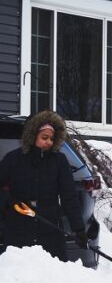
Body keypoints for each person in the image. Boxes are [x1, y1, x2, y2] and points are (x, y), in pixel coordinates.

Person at [0, 111, 86, 262]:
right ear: (32, 136)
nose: (49, 142)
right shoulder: (13, 159)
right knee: (19, 274)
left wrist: (78, 229)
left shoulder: (59, 161)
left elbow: (69, 197)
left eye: (52, 139)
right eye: (44, 137)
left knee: (51, 274)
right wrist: (9, 202)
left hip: (50, 227)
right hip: (18, 227)